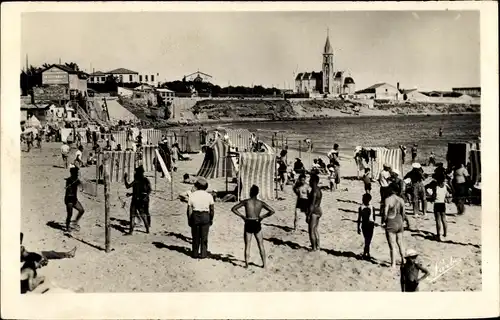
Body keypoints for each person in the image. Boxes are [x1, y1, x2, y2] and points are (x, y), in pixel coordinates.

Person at [231, 185, 275, 268]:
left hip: (248, 222)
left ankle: (247, 264)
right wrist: (262, 217)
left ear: (250, 192)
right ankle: (264, 264)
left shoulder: (246, 201)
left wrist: (242, 216)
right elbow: (272, 211)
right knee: (260, 244)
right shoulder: (261, 203)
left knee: (247, 245)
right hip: (256, 222)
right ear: (257, 193)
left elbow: (233, 209)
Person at [383, 182, 410, 268]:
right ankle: (403, 260)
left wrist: (384, 221)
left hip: (391, 221)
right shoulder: (401, 200)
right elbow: (404, 213)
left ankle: (393, 264)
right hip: (399, 221)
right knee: (400, 243)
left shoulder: (387, 199)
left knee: (392, 245)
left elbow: (385, 213)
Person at [187, 177, 215, 259]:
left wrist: (189, 219)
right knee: (204, 237)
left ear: (197, 186)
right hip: (205, 216)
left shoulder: (192, 195)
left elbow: (189, 210)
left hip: (195, 215)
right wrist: (211, 218)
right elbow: (212, 209)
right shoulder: (209, 196)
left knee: (195, 236)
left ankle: (195, 253)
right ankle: (203, 254)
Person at [124, 165, 152, 234]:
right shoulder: (146, 180)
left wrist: (125, 179)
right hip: (142, 200)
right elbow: (149, 190)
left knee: (132, 215)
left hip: (135, 200)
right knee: (143, 214)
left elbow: (127, 186)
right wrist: (145, 196)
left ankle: (131, 231)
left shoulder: (136, 181)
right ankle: (147, 229)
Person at [64, 166, 85, 232]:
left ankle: (75, 222)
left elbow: (81, 185)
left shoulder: (76, 179)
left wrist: (81, 185)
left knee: (81, 210)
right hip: (69, 200)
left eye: (77, 173)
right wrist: (75, 183)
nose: (77, 174)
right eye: (76, 173)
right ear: (72, 173)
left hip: (74, 199)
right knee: (69, 214)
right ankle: (67, 227)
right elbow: (70, 189)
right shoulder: (69, 180)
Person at [357, 193, 376, 259]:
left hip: (364, 224)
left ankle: (366, 252)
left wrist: (358, 227)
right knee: (368, 239)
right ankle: (366, 252)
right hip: (370, 224)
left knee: (366, 239)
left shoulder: (360, 208)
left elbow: (359, 218)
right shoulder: (372, 207)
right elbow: (374, 217)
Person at [307, 173, 323, 251]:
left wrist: (308, 215)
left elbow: (312, 205)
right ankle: (318, 246)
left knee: (311, 230)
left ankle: (314, 248)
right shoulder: (319, 190)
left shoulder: (314, 191)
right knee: (315, 229)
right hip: (319, 210)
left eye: (310, 180)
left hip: (314, 211)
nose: (309, 182)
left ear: (313, 181)